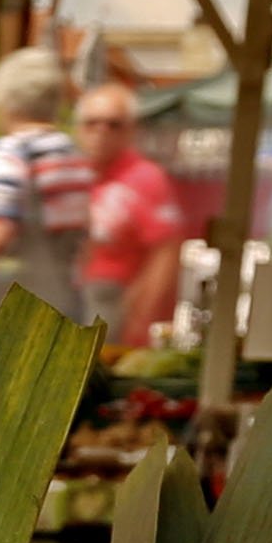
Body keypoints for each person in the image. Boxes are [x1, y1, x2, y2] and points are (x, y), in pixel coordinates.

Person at [0, 48, 98, 334]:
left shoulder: (11, 154)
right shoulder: (72, 155)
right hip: (60, 311)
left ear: (4, 100)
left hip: (1, 324)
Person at [73, 81, 192, 348]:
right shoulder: (72, 174)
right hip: (72, 297)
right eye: (92, 123)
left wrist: (140, 313)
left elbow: (166, 251)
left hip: (114, 300)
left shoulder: (146, 178)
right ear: (79, 128)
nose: (101, 132)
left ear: (131, 130)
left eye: (113, 124)